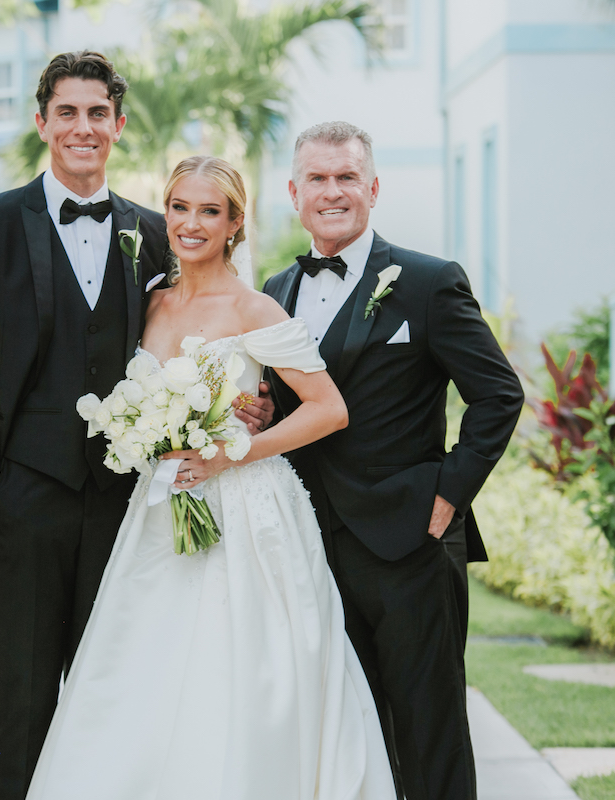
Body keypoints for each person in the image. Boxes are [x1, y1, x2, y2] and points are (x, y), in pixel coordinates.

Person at [25, 156, 396, 800]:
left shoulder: (254, 309)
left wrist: (235, 452)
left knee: (240, 668)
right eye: (180, 208)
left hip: (247, 510)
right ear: (164, 213)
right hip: (161, 503)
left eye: (209, 211)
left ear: (235, 225)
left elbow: (329, 410)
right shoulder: (149, 303)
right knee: (147, 666)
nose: (191, 224)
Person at [0, 51, 182, 800]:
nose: (84, 127)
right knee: (22, 698)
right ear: (41, 122)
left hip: (125, 501)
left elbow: (183, 346)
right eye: (68, 112)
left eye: (98, 113)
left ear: (119, 124)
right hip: (25, 494)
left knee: (113, 696)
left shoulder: (154, 230)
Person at [263, 122, 525, 800]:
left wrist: (448, 495)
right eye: (317, 179)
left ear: (373, 188)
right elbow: (284, 407)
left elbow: (498, 395)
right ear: (295, 193)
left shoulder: (429, 283)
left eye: (347, 177)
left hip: (412, 545)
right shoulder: (274, 291)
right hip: (312, 552)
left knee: (429, 737)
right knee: (350, 739)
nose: (332, 192)